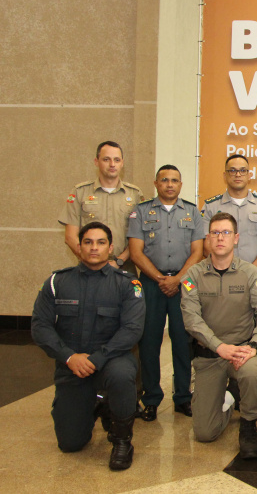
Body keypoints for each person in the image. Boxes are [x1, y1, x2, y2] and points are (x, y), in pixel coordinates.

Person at [31, 222, 145, 470]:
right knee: (70, 443)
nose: (94, 248)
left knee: (123, 374)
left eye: (101, 242)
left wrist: (96, 359)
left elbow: (132, 330)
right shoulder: (57, 282)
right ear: (79, 247)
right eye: (88, 242)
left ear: (111, 247)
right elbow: (40, 326)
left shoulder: (127, 284)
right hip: (72, 364)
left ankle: (122, 440)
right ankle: (97, 403)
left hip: (111, 359)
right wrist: (69, 357)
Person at [180, 213, 257, 459]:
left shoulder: (251, 273)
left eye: (225, 233)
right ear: (208, 239)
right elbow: (191, 319)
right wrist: (218, 346)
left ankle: (248, 424)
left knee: (254, 373)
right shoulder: (192, 276)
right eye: (215, 233)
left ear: (236, 239)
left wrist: (254, 345)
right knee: (204, 433)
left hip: (243, 351)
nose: (219, 238)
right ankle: (231, 397)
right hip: (209, 355)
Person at [127, 164, 205, 422]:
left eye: (174, 180)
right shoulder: (140, 212)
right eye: (164, 180)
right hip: (151, 282)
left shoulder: (192, 212)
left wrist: (178, 279)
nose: (169, 184)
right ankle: (151, 399)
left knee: (183, 340)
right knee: (149, 341)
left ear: (181, 185)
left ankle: (183, 397)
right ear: (156, 183)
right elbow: (136, 252)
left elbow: (198, 252)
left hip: (185, 282)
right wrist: (161, 278)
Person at [60, 140, 145, 271]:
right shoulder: (80, 192)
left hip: (123, 268)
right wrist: (92, 261)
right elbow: (70, 236)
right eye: (106, 159)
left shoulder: (135, 195)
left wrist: (119, 261)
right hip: (88, 269)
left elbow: (139, 236)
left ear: (122, 163)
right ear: (96, 161)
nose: (112, 164)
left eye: (117, 160)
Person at [201, 154, 257, 270]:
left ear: (249, 175)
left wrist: (250, 271)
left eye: (243, 170)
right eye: (232, 170)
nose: (238, 174)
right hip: (220, 274)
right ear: (225, 176)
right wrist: (228, 270)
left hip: (255, 275)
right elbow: (206, 244)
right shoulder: (210, 207)